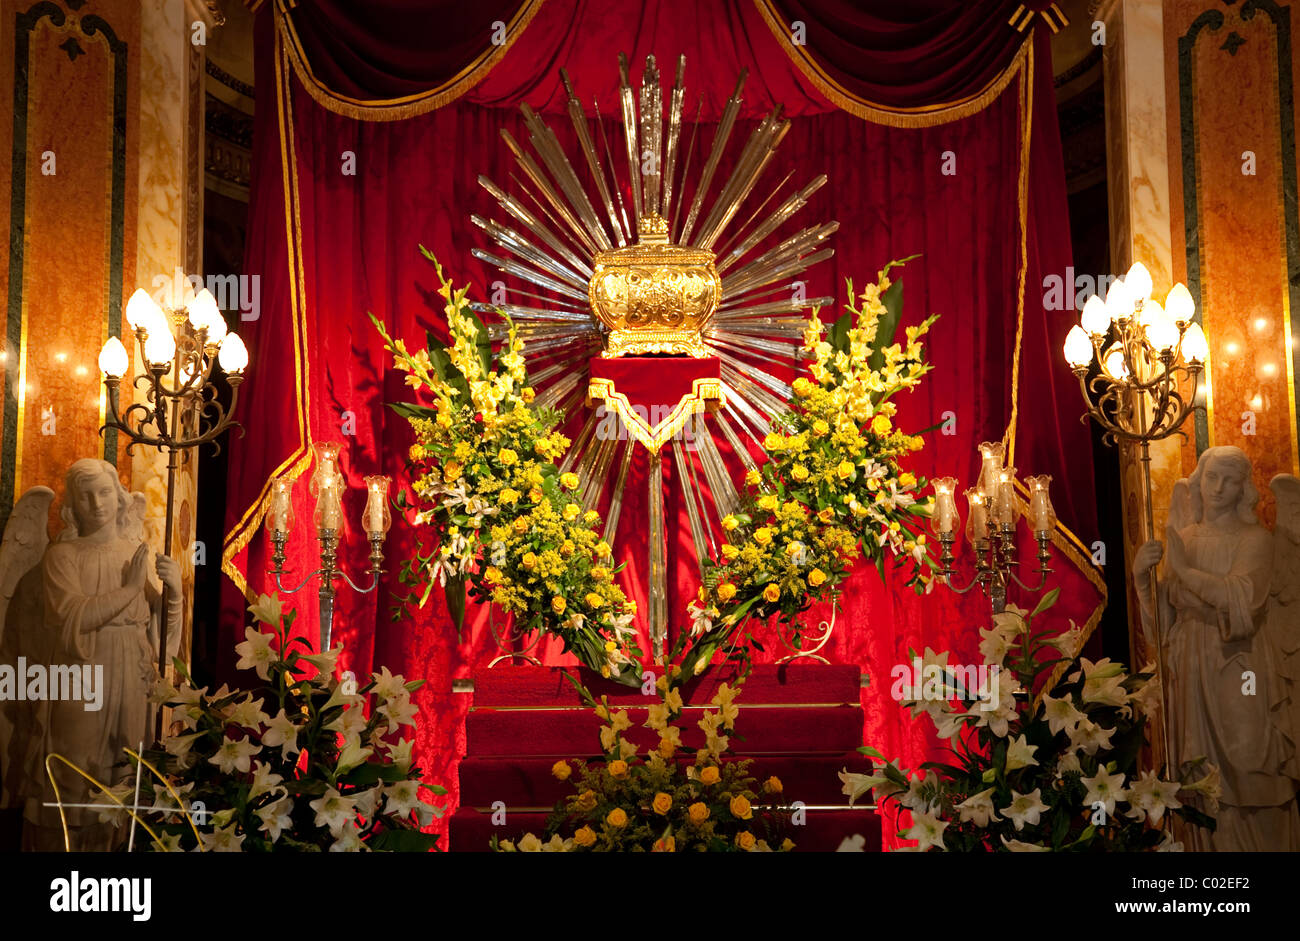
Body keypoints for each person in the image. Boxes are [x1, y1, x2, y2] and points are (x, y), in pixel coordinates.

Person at [1134, 445, 1300, 850]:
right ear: (1199, 481)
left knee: (1250, 766)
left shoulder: (1256, 540)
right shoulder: (1183, 537)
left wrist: (1187, 572)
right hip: (1191, 663)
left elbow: (1243, 596)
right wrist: (1141, 579)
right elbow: (1164, 626)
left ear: (1244, 488)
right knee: (1199, 778)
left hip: (1240, 664)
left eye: (1230, 479)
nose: (1219, 487)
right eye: (1211, 477)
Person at [21, 459, 181, 850]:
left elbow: (158, 635)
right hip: (83, 673)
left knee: (126, 770)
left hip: (132, 668)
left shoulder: (134, 550)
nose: (97, 503)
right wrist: (128, 591)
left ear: (119, 496)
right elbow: (68, 615)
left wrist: (175, 593)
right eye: (85, 495)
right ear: (73, 504)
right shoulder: (63, 556)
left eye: (105, 492)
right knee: (76, 766)